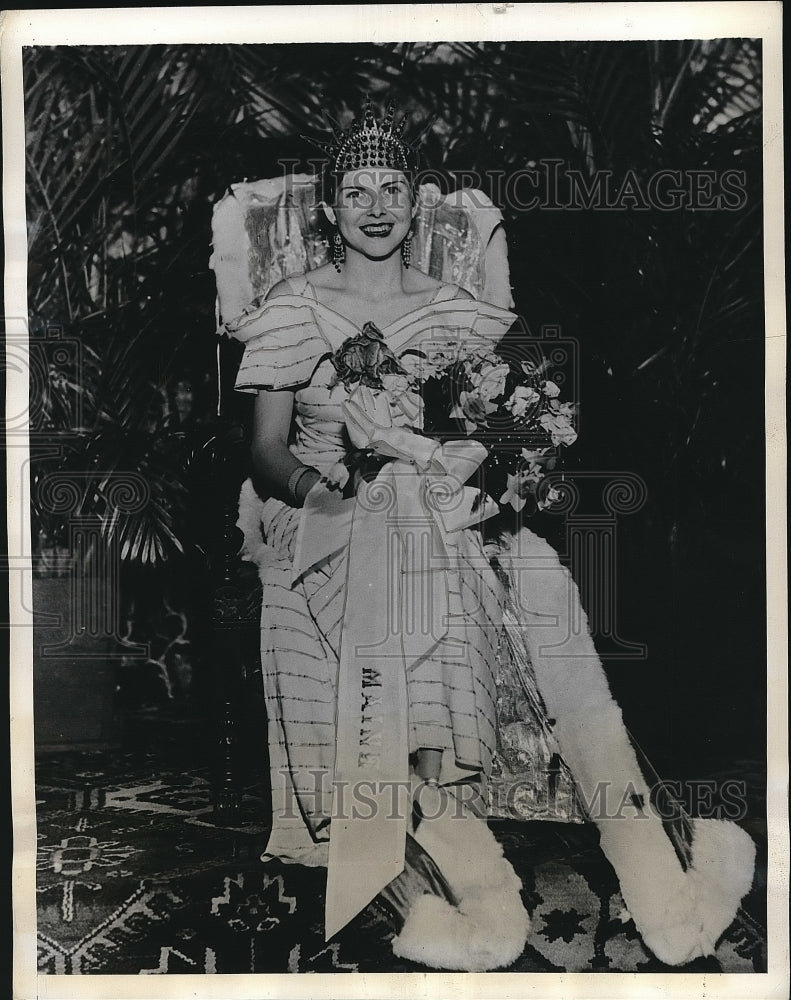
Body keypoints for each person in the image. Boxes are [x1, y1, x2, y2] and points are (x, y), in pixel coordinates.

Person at [225, 101, 755, 971]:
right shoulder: (289, 313)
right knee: (389, 586)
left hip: (454, 516)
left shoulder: (459, 316)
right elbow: (265, 451)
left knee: (543, 591)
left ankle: (654, 870)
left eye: (390, 188)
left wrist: (471, 477)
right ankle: (476, 890)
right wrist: (330, 493)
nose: (373, 206)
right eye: (353, 191)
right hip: (329, 516)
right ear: (327, 209)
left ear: (414, 205)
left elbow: (513, 441)